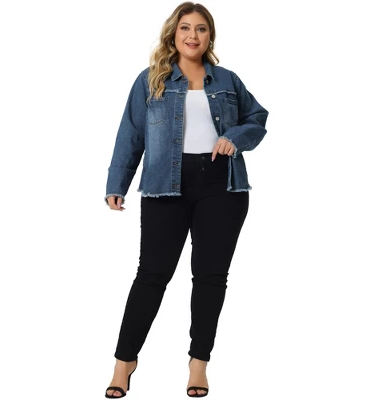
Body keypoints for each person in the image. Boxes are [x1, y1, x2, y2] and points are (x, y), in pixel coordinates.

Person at [104, 2, 269, 398]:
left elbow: (257, 118)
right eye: (185, 28)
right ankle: (124, 361)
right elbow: (131, 134)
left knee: (210, 277)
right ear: (173, 34)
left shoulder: (227, 80)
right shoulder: (151, 80)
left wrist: (234, 138)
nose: (193, 36)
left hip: (222, 186)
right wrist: (117, 183)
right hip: (166, 186)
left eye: (201, 29)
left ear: (210, 36)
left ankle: (199, 363)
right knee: (151, 276)